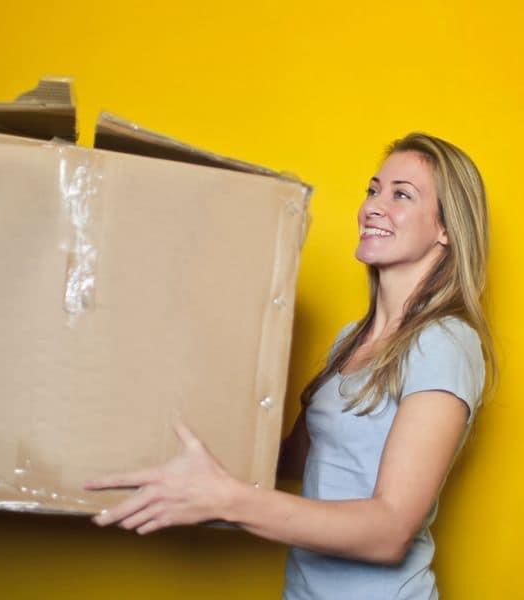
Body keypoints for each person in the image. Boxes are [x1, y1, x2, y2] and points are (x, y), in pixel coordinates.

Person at [83, 132, 498, 599]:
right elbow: (289, 459)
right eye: (373, 190)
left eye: (402, 195)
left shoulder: (443, 343)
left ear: (447, 228)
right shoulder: (350, 340)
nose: (373, 207)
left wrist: (230, 501)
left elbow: (390, 531)